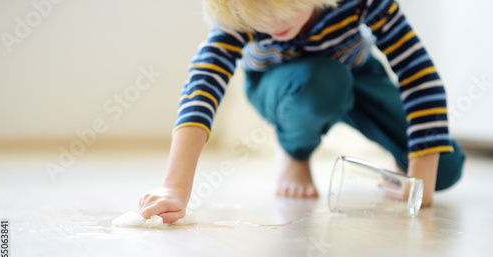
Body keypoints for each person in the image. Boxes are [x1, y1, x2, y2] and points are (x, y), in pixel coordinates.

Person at [138, 0, 465, 223]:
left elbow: (417, 71)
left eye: (279, 9)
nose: (268, 24)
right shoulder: (241, 10)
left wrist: (421, 175)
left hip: (359, 73)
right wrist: (174, 187)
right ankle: (295, 152)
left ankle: (398, 159)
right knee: (323, 83)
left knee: (445, 169)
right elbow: (203, 84)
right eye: (256, 17)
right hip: (283, 86)